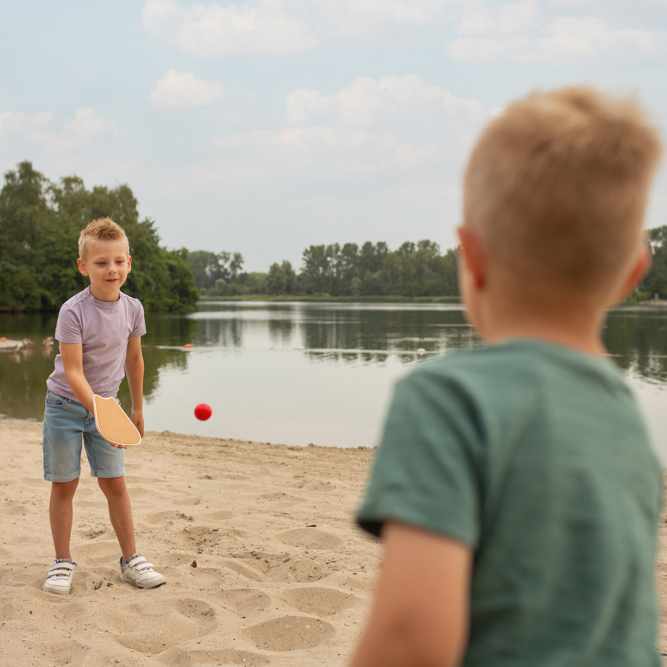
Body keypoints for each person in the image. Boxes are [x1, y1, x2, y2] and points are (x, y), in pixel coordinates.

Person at [351, 87, 663, 666]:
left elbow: (411, 640)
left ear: (472, 255)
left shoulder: (446, 398)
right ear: (631, 275)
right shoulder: (627, 418)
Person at [42, 217, 165, 595]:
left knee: (115, 484)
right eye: (101, 262)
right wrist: (101, 413)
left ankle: (131, 560)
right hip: (65, 407)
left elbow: (134, 359)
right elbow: (74, 372)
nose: (111, 269)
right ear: (84, 266)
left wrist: (137, 408)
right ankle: (62, 562)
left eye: (118, 261)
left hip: (108, 406)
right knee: (65, 485)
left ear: (129, 262)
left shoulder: (133, 308)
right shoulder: (73, 311)